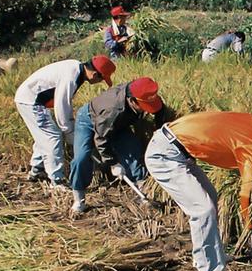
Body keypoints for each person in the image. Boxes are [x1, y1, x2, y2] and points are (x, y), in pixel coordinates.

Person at [145, 106, 252, 271]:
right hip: (164, 155)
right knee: (203, 210)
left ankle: (208, 255)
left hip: (176, 147)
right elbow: (247, 193)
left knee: (210, 198)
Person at [69, 76, 174, 213]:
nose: (146, 110)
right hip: (89, 120)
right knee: (81, 158)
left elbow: (159, 111)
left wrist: (159, 133)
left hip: (119, 124)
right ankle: (79, 198)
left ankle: (144, 192)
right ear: (131, 101)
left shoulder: (144, 93)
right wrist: (112, 163)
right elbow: (101, 138)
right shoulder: (112, 110)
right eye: (143, 107)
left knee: (133, 148)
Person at [14, 55, 115, 187]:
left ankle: (37, 170)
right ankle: (57, 180)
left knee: (45, 135)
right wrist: (70, 131)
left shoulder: (76, 68)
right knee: (53, 136)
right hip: (31, 100)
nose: (100, 82)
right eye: (102, 79)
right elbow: (61, 105)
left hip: (33, 99)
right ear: (95, 74)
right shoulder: (71, 77)